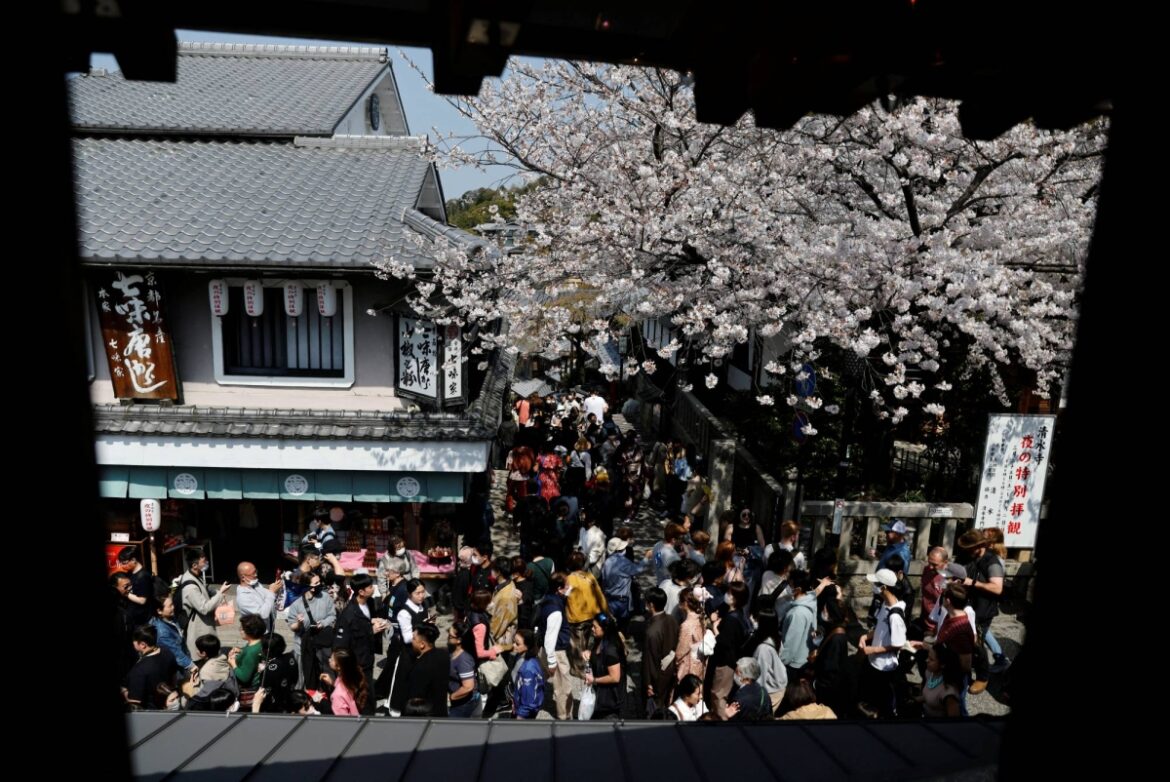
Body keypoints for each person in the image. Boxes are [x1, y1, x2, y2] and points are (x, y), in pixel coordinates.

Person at [509, 629, 545, 719]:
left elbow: (529, 701)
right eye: (514, 642)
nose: (513, 645)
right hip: (518, 705)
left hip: (525, 713)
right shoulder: (519, 656)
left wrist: (520, 716)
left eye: (517, 644)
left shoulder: (529, 670)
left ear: (527, 646)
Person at [324, 647, 367, 716]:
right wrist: (332, 683)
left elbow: (343, 722)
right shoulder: (353, 675)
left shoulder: (337, 696)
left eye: (332, 659)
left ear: (339, 667)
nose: (329, 660)